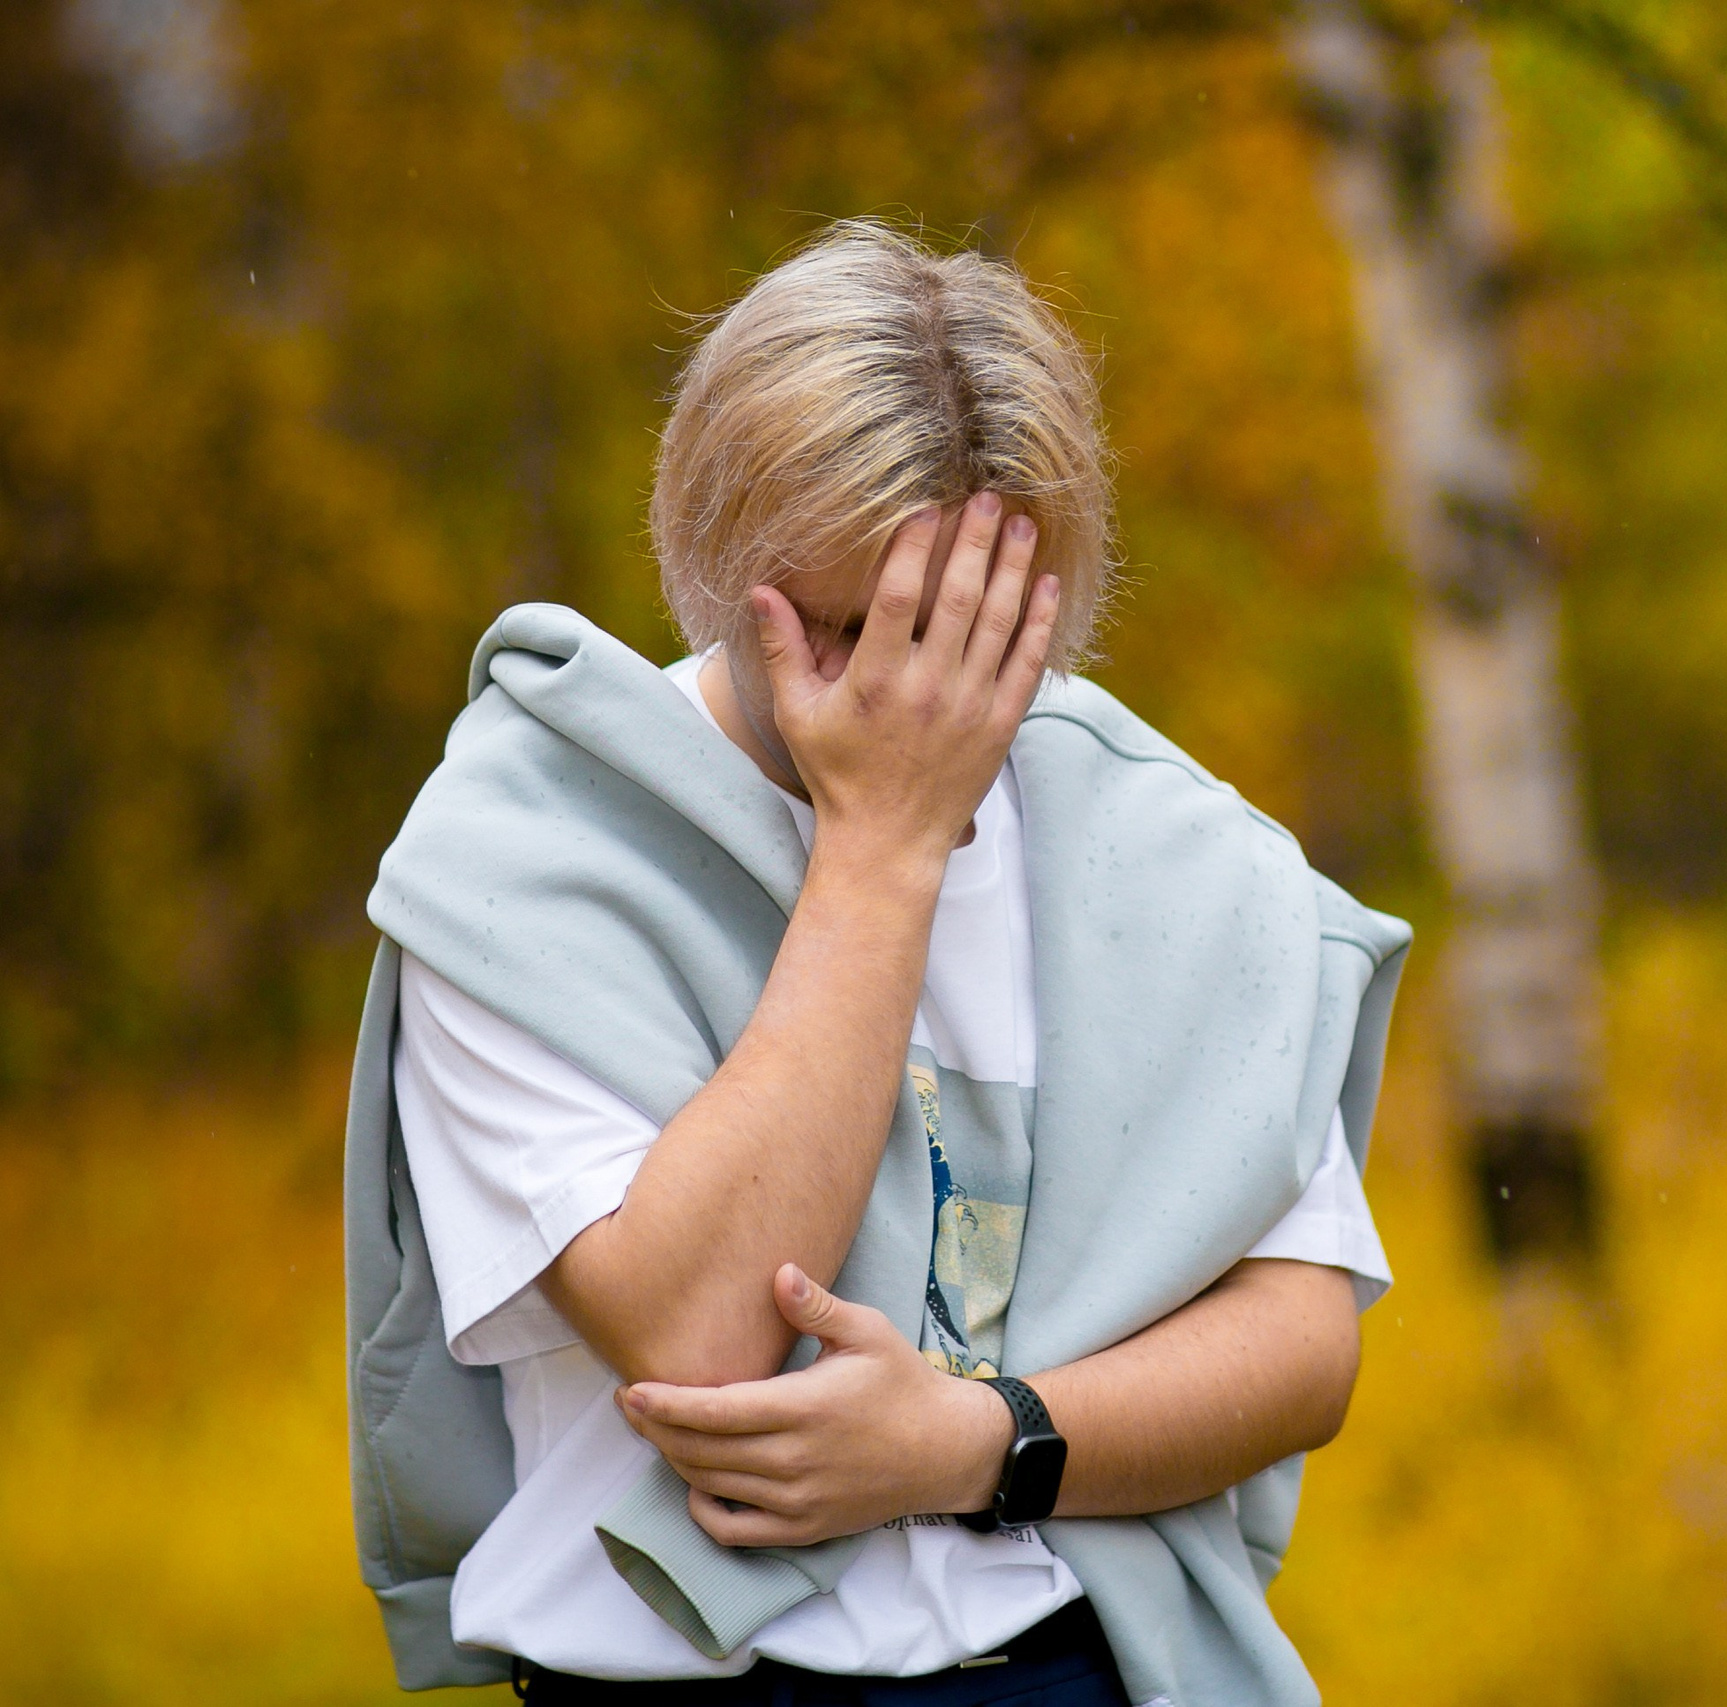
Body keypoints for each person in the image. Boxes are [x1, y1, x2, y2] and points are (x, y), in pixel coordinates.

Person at [343, 222, 1411, 1707]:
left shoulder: (1171, 853)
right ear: (720, 565)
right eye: (852, 632)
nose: (920, 694)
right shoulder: (527, 852)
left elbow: (1301, 1345)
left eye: (978, 632)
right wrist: (884, 851)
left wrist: (978, 1443)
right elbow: (703, 1341)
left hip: (1086, 1672)